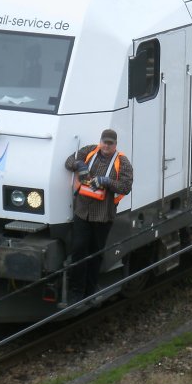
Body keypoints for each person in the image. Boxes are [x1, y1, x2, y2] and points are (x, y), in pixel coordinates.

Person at [63, 128, 134, 303]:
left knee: (95, 253)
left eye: (110, 143)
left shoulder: (122, 162)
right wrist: (80, 166)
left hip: (103, 216)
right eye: (104, 142)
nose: (106, 145)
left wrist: (106, 181)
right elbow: (69, 161)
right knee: (78, 250)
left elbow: (126, 186)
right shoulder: (89, 151)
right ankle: (75, 292)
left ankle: (90, 291)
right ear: (100, 141)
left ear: (115, 145)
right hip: (82, 212)